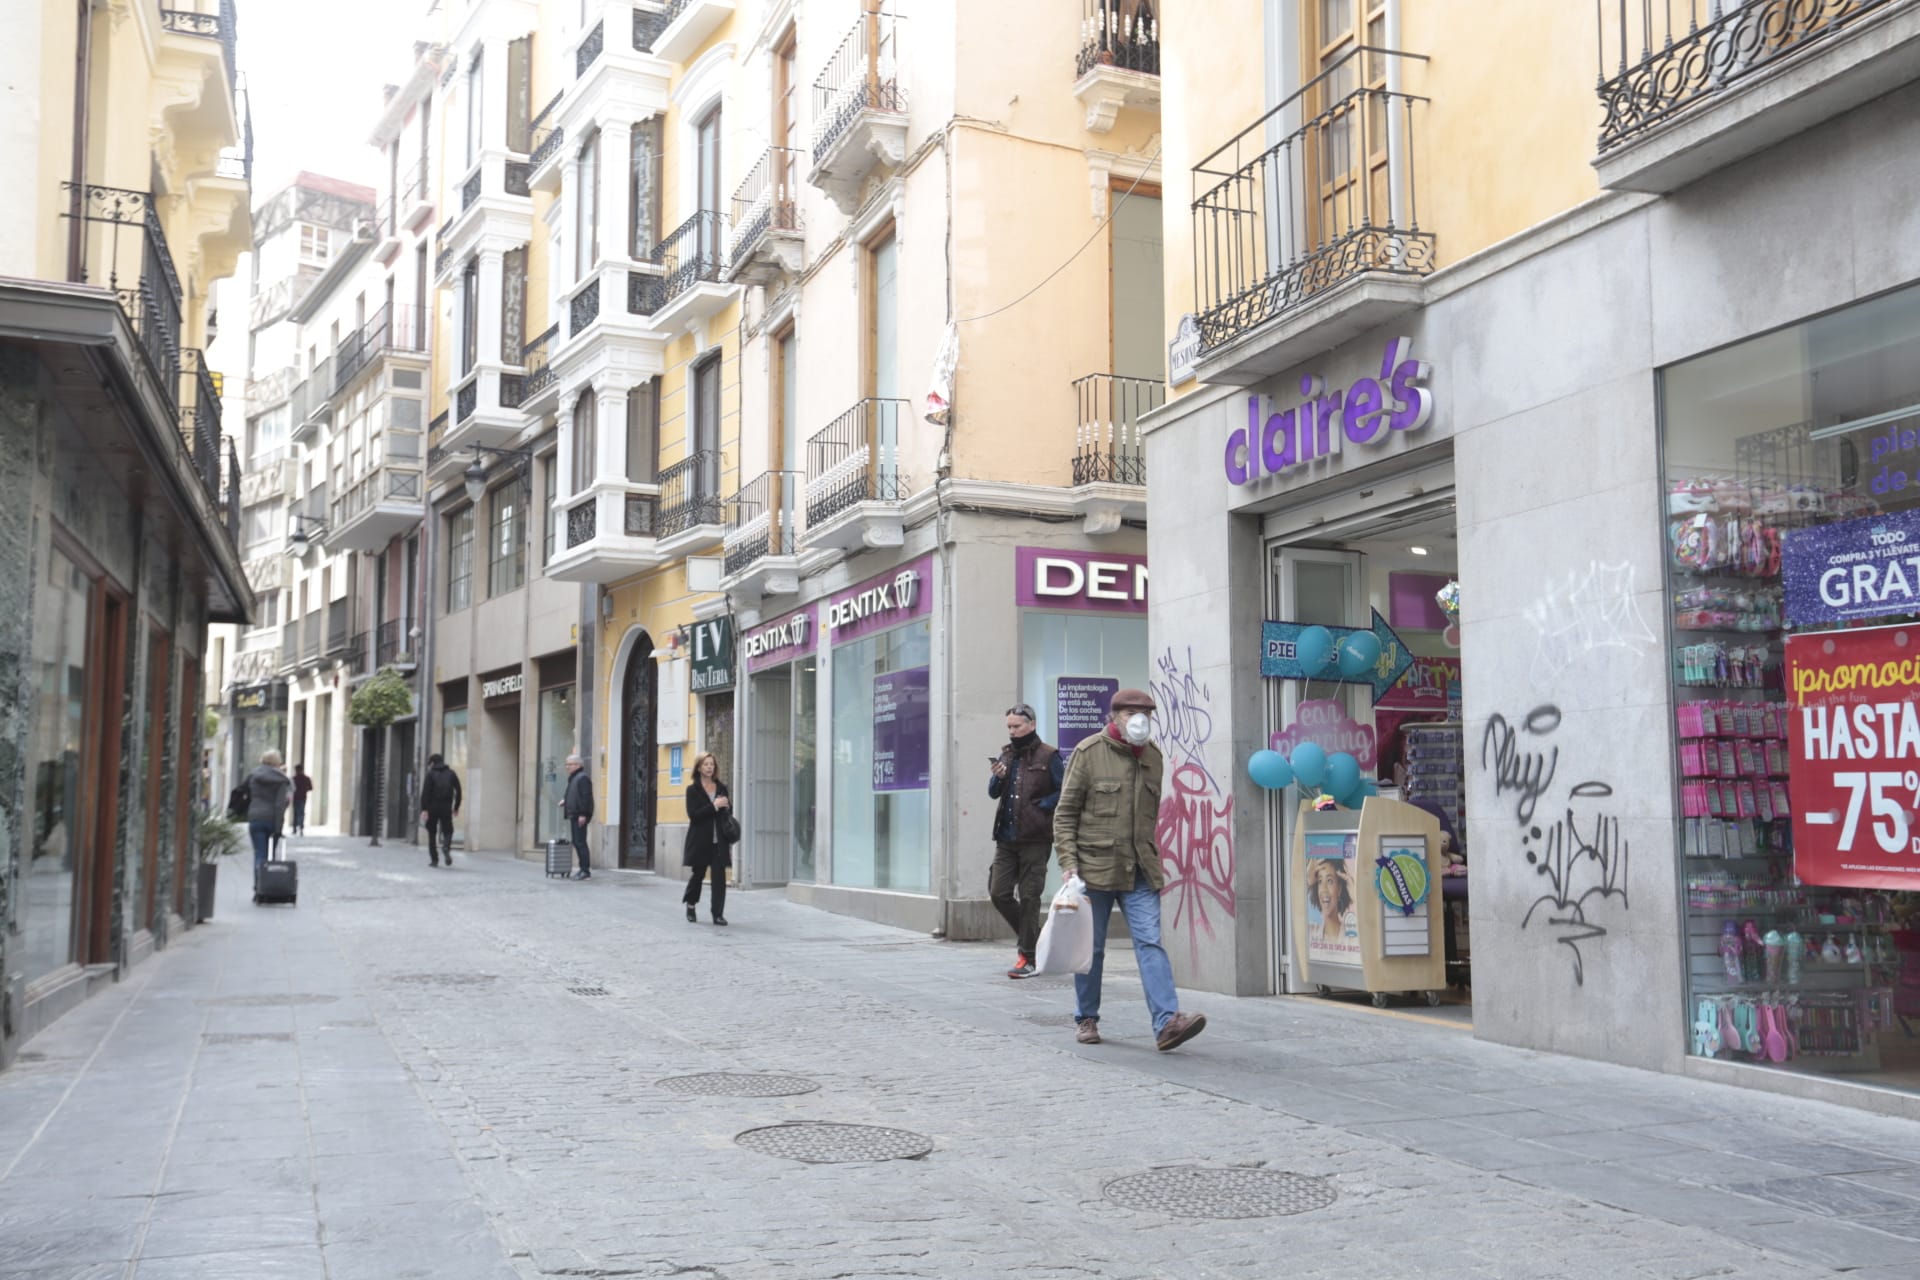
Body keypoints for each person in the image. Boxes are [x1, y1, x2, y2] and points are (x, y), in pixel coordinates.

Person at [1053, 688, 1207, 1052]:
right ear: (1115, 716)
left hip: (1139, 868)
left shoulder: (1153, 757)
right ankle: (1086, 1017)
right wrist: (1068, 863)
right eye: (1131, 713)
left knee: (1150, 941)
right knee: (1092, 948)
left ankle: (1167, 1022)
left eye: (1146, 714)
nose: (1140, 720)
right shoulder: (1088, 753)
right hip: (1094, 868)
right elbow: (1065, 813)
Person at [987, 702, 1063, 979]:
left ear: (1031, 724)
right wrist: (997, 779)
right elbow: (993, 794)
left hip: (1035, 838)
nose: (1012, 731)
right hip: (1006, 837)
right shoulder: (1006, 755)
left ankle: (1028, 957)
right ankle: (1038, 940)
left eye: (1017, 726)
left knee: (1030, 897)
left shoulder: (1049, 755)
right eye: (1009, 727)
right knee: (999, 892)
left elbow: (1064, 790)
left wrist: (1043, 806)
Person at [682, 752, 732, 926]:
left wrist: (726, 806)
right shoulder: (692, 790)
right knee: (698, 875)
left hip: (719, 841)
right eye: (706, 764)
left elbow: (727, 813)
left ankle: (718, 914)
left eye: (711, 764)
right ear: (698, 767)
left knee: (719, 878)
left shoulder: (721, 787)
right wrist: (713, 806)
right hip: (700, 840)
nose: (709, 767)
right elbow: (693, 815)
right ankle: (690, 904)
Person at [244, 750, 293, 878]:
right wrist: (279, 826)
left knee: (259, 854)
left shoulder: (254, 775)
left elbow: (247, 794)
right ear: (277, 761)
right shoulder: (281, 779)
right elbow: (281, 804)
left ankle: (258, 888)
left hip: (255, 818)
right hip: (272, 820)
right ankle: (267, 886)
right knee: (270, 854)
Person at [418, 753, 463, 868]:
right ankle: (446, 846)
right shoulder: (451, 773)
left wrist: (424, 809)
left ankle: (434, 860)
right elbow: (458, 790)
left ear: (432, 763)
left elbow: (425, 793)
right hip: (446, 807)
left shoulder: (430, 774)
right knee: (448, 830)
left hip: (432, 807)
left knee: (432, 833)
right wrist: (456, 807)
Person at [1308, 858, 1355, 947]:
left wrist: (1355, 896)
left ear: (1339, 889)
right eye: (1320, 881)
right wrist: (1307, 880)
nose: (1324, 889)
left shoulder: (1352, 936)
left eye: (1330, 881)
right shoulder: (1310, 932)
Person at [562, 753, 594, 879]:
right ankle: (583, 869)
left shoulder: (583, 778)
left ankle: (585, 870)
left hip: (579, 815)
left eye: (570, 764)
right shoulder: (574, 777)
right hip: (574, 814)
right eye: (567, 764)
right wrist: (565, 800)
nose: (567, 767)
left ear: (578, 765)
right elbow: (572, 793)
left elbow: (586, 797)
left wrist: (583, 814)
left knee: (580, 842)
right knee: (577, 841)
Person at [290, 763, 313, 836]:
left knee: (296, 813)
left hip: (296, 797)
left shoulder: (293, 779)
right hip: (303, 797)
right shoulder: (306, 778)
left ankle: (294, 829)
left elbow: (290, 788)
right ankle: (301, 828)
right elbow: (310, 788)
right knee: (301, 813)